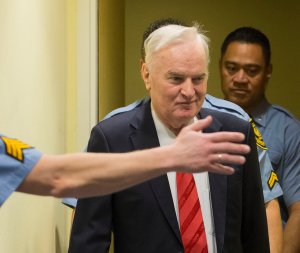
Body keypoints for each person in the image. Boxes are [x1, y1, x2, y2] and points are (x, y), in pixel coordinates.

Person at [68, 23, 269, 253]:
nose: (189, 91)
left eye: (198, 79)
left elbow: (255, 237)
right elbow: (88, 244)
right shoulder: (112, 141)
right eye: (176, 78)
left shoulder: (236, 135)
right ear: (147, 74)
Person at [0, 123, 250, 207]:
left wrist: (172, 156)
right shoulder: (111, 132)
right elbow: (60, 177)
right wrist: (172, 156)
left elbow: (57, 176)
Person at [219, 26, 300, 253]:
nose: (240, 79)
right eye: (231, 68)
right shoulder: (202, 120)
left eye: (252, 70)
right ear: (219, 67)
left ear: (268, 71)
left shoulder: (288, 130)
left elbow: (299, 211)